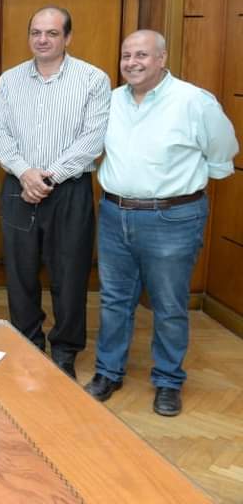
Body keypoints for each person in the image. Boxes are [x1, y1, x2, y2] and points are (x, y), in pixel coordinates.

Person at [85, 30, 237, 416]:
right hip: (115, 214)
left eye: (142, 55)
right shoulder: (110, 101)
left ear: (162, 58)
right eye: (127, 55)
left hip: (172, 218)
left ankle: (168, 381)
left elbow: (222, 153)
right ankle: (108, 372)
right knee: (114, 300)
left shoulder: (194, 101)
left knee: (169, 304)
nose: (132, 62)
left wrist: (181, 187)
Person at [0, 6, 111, 378]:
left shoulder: (93, 79)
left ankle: (65, 350)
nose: (42, 40)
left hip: (69, 190)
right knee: (20, 272)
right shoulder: (10, 80)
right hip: (18, 187)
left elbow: (93, 139)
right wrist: (26, 173)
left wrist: (48, 177)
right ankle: (27, 342)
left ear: (67, 38)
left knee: (70, 274)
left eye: (52, 33)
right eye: (36, 32)